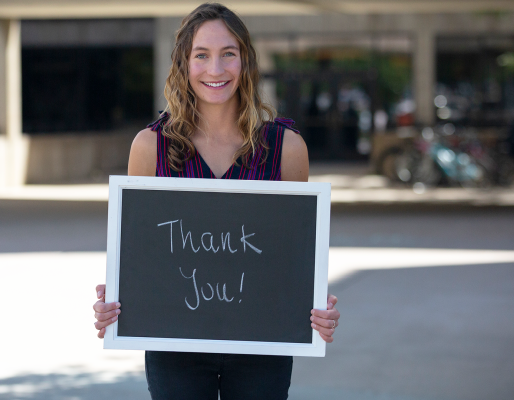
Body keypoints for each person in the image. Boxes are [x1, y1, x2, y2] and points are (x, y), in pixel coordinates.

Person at [93, 3, 340, 399]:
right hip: (175, 346)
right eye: (201, 55)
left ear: (246, 61)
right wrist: (120, 296)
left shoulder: (286, 148)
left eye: (228, 54)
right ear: (183, 64)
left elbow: (293, 255)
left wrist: (315, 306)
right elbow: (142, 252)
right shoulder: (151, 146)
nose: (215, 69)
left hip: (262, 345)